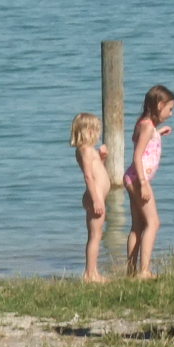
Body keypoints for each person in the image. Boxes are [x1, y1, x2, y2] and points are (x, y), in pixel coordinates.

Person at [124, 84, 174, 279]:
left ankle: (131, 271)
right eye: (170, 109)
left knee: (137, 226)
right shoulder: (147, 127)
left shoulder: (144, 124)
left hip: (132, 177)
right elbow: (137, 155)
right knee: (153, 223)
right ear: (160, 105)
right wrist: (144, 183)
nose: (171, 113)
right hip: (138, 178)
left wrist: (157, 133)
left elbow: (137, 140)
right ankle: (144, 271)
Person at [70, 112, 109, 283]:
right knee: (95, 236)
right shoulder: (85, 151)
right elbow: (88, 176)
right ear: (88, 131)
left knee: (97, 234)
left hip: (96, 195)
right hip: (95, 196)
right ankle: (90, 274)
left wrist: (101, 158)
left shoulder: (89, 151)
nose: (98, 135)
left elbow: (97, 170)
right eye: (96, 131)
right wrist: (96, 200)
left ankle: (93, 272)